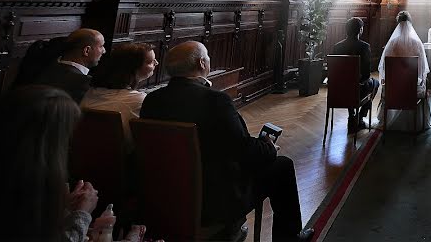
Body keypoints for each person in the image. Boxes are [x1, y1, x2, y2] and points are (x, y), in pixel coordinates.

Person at [140, 41, 312, 242]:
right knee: (283, 166)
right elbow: (244, 151)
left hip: (166, 192)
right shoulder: (215, 101)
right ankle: (290, 238)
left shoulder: (152, 101)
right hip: (216, 199)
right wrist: (269, 148)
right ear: (202, 63)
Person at [0, 86, 97, 242]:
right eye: (65, 141)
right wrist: (81, 215)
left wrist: (65, 209)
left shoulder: (5, 179)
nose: (70, 149)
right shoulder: (24, 189)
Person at [81, 42, 158, 148]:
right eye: (150, 62)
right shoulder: (138, 100)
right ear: (133, 68)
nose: (156, 63)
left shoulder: (90, 91)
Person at [376, 11, 430, 131]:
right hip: (411, 87)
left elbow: (385, 66)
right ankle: (416, 121)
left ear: (398, 24)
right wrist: (420, 81)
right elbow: (422, 69)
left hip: (394, 87)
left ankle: (388, 119)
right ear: (410, 24)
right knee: (422, 86)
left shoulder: (392, 44)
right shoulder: (417, 43)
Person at [34, 28, 106, 103]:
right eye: (101, 46)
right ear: (86, 51)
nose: (104, 51)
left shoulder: (45, 69)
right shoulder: (81, 82)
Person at [332, 17, 379, 132]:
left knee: (349, 84)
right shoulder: (364, 47)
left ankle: (352, 115)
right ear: (360, 30)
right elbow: (366, 73)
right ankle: (360, 117)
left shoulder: (337, 47)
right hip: (357, 89)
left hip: (338, 90)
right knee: (375, 83)